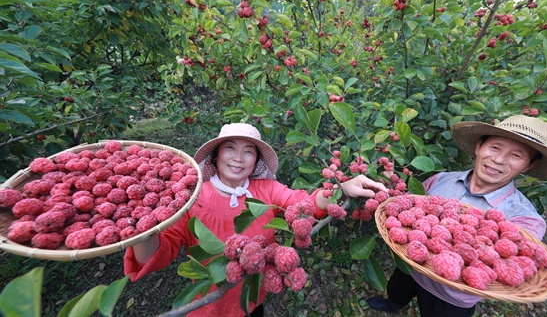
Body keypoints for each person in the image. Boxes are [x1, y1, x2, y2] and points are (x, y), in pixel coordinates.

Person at [124, 123, 388, 316]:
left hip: (253, 292)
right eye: (230, 148)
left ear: (256, 160)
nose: (238, 158)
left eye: (248, 151)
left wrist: (341, 188)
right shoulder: (192, 196)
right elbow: (162, 249)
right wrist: (142, 230)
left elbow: (302, 203)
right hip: (209, 304)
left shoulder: (266, 190)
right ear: (216, 155)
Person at [367, 115, 547, 317]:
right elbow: (410, 206)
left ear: (530, 165)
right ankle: (393, 303)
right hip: (411, 268)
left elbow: (504, 265)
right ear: (479, 146)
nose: (499, 160)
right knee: (397, 289)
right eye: (494, 147)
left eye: (516, 155)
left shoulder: (525, 220)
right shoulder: (442, 179)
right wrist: (390, 188)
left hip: (452, 297)